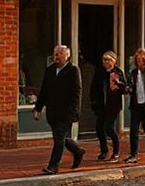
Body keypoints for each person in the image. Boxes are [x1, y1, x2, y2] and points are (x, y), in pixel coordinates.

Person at [33, 45, 85, 175]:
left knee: (59, 136)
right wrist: (38, 108)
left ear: (67, 56)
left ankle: (53, 166)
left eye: (60, 53)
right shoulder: (50, 70)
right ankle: (77, 151)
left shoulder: (73, 70)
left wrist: (73, 110)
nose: (56, 56)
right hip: (53, 111)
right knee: (60, 137)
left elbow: (77, 92)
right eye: (55, 53)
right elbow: (44, 90)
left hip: (66, 111)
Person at [91, 51, 126, 162]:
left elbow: (125, 88)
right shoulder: (100, 72)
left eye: (108, 60)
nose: (105, 62)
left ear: (113, 61)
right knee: (99, 128)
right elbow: (94, 87)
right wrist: (93, 101)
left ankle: (116, 151)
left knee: (109, 128)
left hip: (113, 105)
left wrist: (118, 84)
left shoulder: (117, 72)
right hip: (101, 104)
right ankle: (104, 150)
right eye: (104, 60)